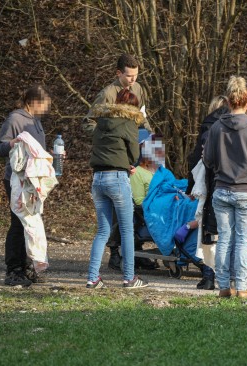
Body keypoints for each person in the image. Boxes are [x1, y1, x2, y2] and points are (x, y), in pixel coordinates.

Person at [203, 76, 247, 299]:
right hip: (245, 192)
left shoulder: (215, 128)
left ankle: (223, 286)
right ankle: (242, 287)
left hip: (221, 190)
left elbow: (208, 161)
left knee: (224, 239)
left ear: (228, 102)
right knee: (243, 240)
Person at [87, 88, 148, 289]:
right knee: (126, 229)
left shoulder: (100, 123)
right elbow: (133, 154)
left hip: (97, 178)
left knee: (103, 230)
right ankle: (129, 278)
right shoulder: (129, 123)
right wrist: (129, 164)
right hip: (117, 178)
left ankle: (93, 278)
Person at [0, 84, 52, 287]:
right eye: (44, 105)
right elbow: (0, 147)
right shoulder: (15, 119)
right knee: (18, 224)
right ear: (33, 102)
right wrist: (12, 143)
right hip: (16, 180)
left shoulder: (35, 121)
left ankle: (29, 267)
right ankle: (13, 269)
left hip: (33, 181)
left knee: (32, 225)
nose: (46, 110)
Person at [185, 95, 230, 290]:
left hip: (211, 186)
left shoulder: (207, 128)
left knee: (208, 231)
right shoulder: (236, 126)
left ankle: (208, 276)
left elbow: (196, 159)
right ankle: (229, 277)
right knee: (229, 232)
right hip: (233, 185)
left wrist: (190, 188)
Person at [84, 53, 149, 133]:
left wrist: (150, 134)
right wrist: (109, 137)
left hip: (134, 138)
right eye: (129, 76)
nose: (133, 79)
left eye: (136, 75)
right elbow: (89, 122)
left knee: (157, 143)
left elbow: (142, 115)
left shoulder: (137, 88)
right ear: (118, 73)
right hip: (113, 143)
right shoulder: (107, 95)